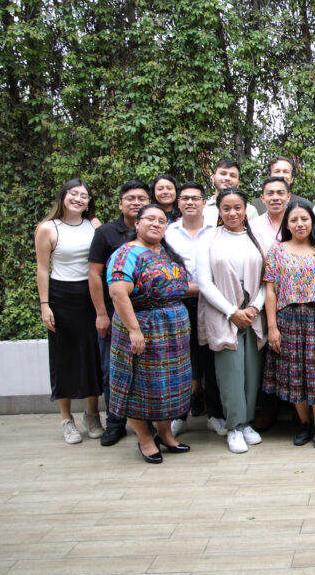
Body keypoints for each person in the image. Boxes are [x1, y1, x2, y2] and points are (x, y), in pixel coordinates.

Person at [106, 204, 197, 463]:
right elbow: (118, 293)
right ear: (137, 223)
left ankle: (165, 435)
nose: (156, 224)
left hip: (172, 330)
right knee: (139, 386)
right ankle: (145, 440)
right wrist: (134, 330)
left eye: (161, 220)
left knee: (166, 386)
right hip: (142, 327)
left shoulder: (165, 252)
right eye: (150, 219)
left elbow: (178, 286)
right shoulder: (126, 254)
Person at [263, 201, 315, 448]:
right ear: (287, 224)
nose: (300, 224)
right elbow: (270, 290)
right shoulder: (277, 251)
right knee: (295, 373)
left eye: (304, 219)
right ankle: (304, 423)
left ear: (312, 222)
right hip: (288, 318)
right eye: (294, 220)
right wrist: (272, 327)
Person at [197, 188, 268, 454]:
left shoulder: (256, 238)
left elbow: (266, 279)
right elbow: (204, 282)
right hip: (223, 313)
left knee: (251, 370)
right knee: (230, 373)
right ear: (219, 211)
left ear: (245, 209)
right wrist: (232, 312)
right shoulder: (208, 239)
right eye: (226, 208)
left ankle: (247, 422)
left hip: (252, 314)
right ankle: (234, 426)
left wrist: (254, 308)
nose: (232, 213)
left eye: (237, 207)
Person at [34, 179, 104, 444]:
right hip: (61, 297)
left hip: (91, 296)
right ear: (62, 197)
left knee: (92, 356)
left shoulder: (94, 225)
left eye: (84, 195)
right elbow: (42, 269)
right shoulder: (48, 228)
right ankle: (66, 419)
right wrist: (45, 305)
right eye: (73, 194)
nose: (78, 199)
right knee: (64, 357)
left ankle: (92, 414)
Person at [88, 179, 151, 446]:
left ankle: (148, 423)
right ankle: (115, 422)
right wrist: (101, 313)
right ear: (120, 203)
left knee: (145, 372)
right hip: (116, 315)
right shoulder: (105, 233)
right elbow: (94, 274)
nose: (136, 203)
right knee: (112, 371)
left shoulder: (156, 232)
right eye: (131, 199)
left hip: (148, 316)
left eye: (142, 199)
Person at [163, 181, 224, 437]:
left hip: (210, 303)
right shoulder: (167, 233)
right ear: (178, 203)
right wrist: (197, 286)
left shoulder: (216, 232)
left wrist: (205, 288)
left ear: (203, 203)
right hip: (178, 303)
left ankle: (216, 415)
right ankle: (179, 416)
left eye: (195, 198)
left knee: (211, 360)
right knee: (179, 361)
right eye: (185, 198)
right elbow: (163, 271)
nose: (190, 202)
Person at [203, 160, 259, 227]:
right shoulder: (202, 209)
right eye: (223, 174)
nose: (227, 178)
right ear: (213, 178)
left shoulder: (249, 211)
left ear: (238, 183)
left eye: (232, 176)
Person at [254, 176, 290, 253]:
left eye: (280, 193)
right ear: (262, 198)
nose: (275, 198)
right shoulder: (254, 226)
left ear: (288, 197)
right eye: (270, 193)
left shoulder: (299, 224)